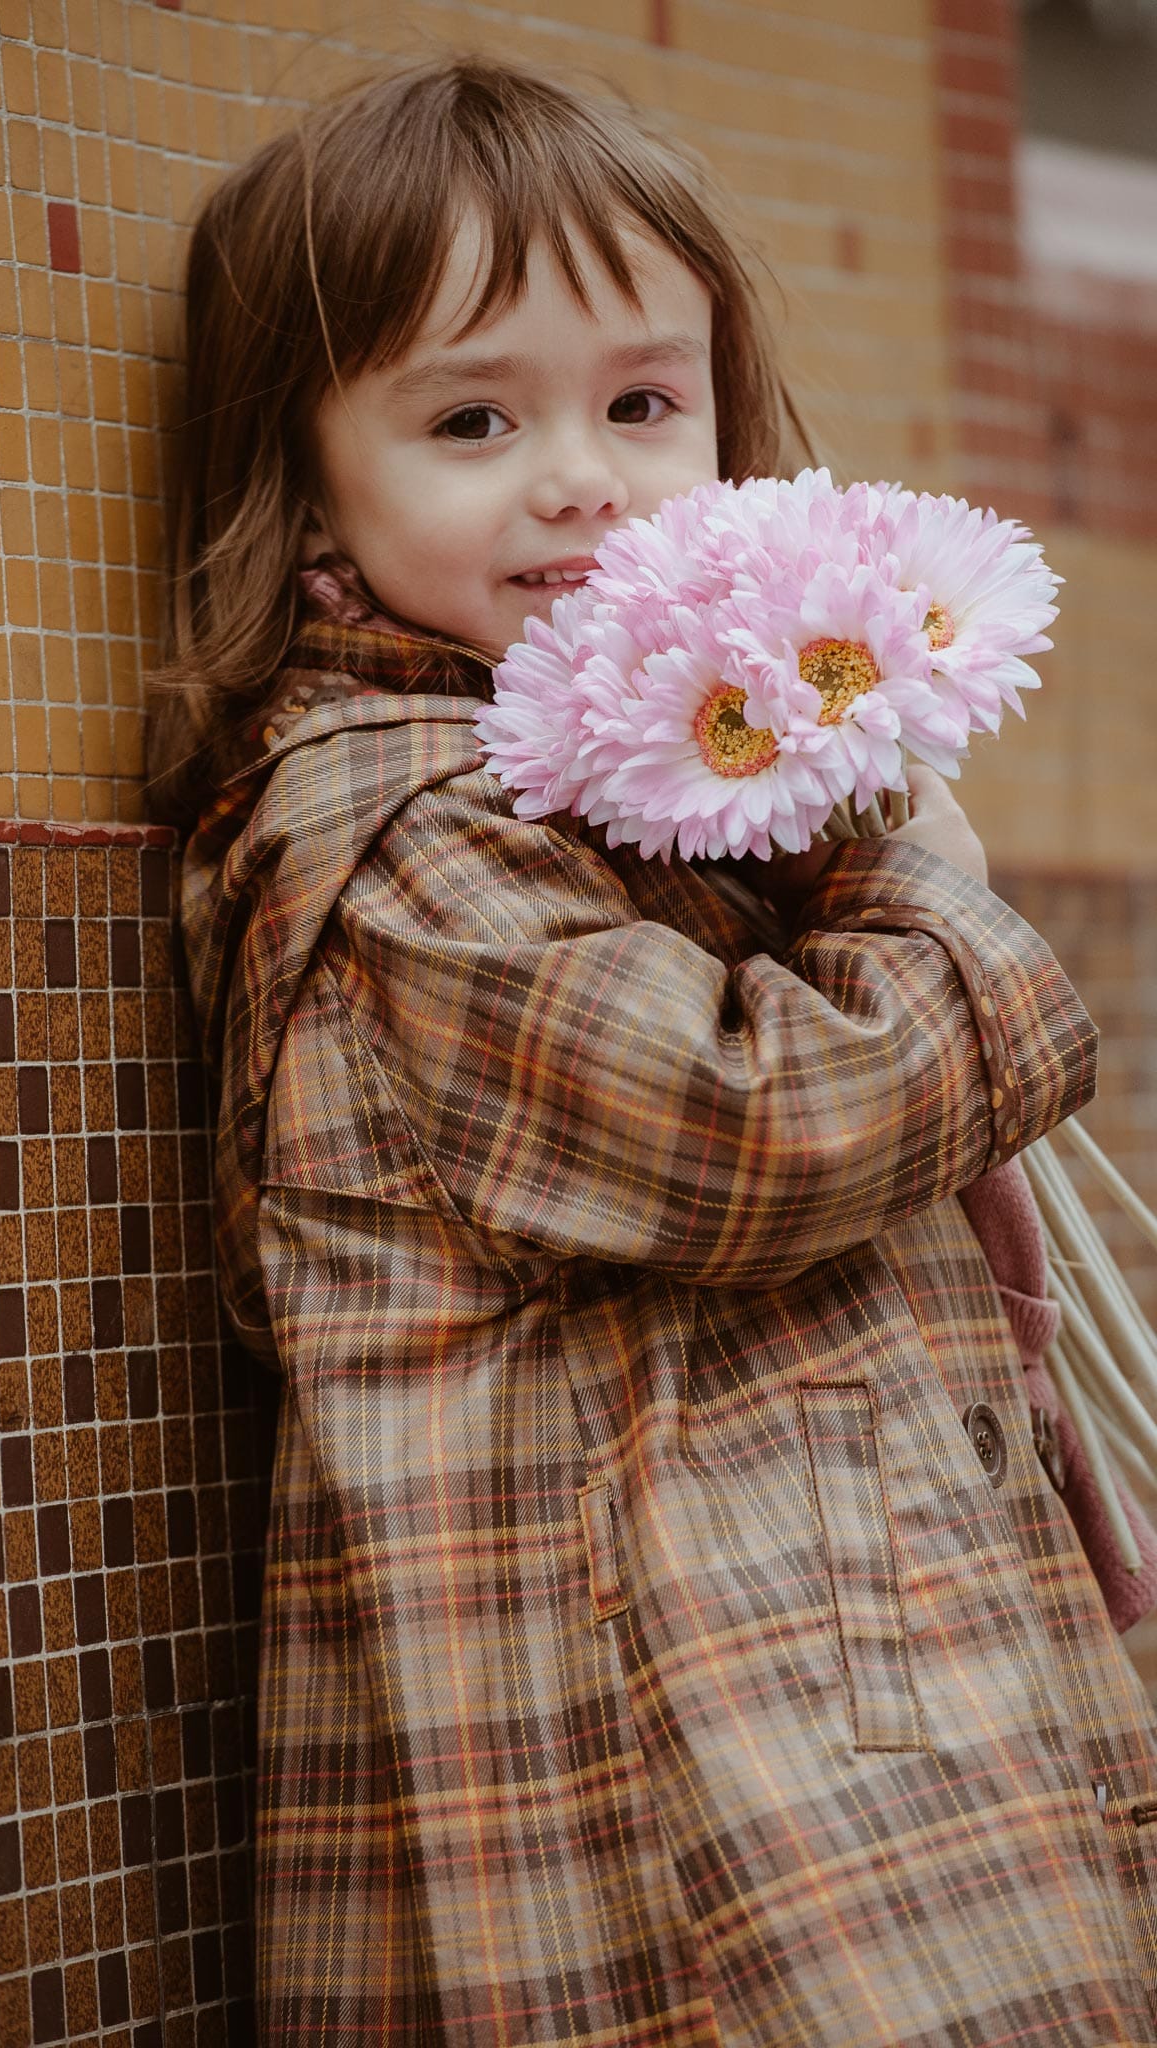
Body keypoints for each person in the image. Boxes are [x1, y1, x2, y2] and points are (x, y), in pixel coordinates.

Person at [151, 56, 1157, 2047]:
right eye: (468, 417)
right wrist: (926, 894)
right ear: (308, 469)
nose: (581, 476)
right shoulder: (399, 839)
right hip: (651, 1784)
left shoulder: (643, 800)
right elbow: (743, 1124)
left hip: (830, 1721)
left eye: (639, 402)